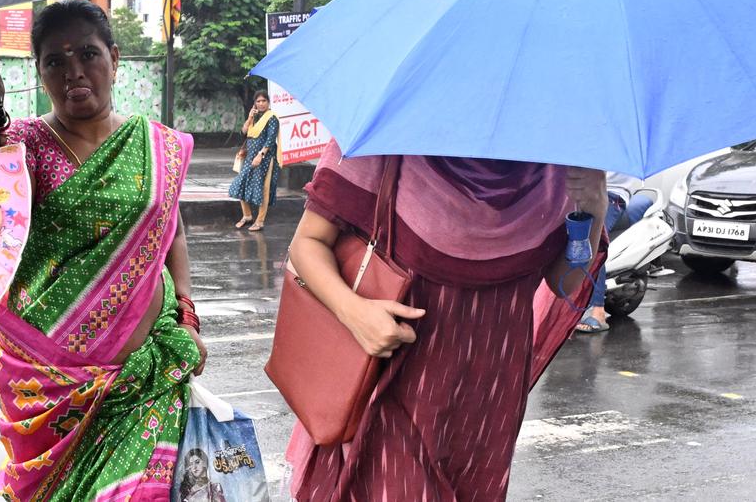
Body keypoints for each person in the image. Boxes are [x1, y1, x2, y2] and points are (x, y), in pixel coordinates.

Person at [0, 0, 207, 502]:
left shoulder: (156, 145)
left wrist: (187, 316)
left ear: (115, 59)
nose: (74, 71)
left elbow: (172, 232)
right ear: (38, 72)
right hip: (48, 376)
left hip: (146, 369)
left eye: (89, 55)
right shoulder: (21, 144)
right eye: (55, 60)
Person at [282, 142, 608, 500]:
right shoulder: (391, 139)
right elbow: (308, 243)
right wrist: (355, 313)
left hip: (488, 408)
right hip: (394, 386)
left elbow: (566, 283)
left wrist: (594, 208)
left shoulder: (554, 167)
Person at [577, 172, 655, 333]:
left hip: (610, 195)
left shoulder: (612, 147)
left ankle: (597, 311)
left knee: (593, 241)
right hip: (579, 195)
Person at [229, 90, 280, 232]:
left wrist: (261, 155)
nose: (261, 103)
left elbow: (270, 139)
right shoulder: (255, 117)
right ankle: (247, 216)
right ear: (255, 103)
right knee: (240, 183)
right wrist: (250, 118)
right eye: (258, 101)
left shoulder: (272, 118)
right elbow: (244, 132)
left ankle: (260, 221)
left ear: (268, 102)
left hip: (265, 158)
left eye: (264, 101)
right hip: (250, 157)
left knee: (263, 188)